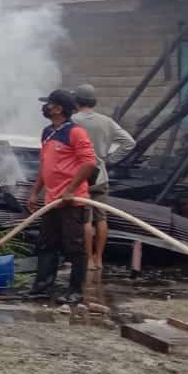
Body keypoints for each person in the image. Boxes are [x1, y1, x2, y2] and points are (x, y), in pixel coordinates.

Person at [26, 88, 97, 306]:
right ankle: (42, 287)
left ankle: (75, 291)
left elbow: (89, 163)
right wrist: (35, 192)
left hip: (72, 201)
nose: (45, 107)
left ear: (58, 108)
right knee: (47, 244)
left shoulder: (76, 132)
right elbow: (45, 165)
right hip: (52, 201)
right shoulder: (47, 132)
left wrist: (71, 190)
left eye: (49, 104)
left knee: (75, 247)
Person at [69, 83, 136, 272]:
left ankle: (88, 259)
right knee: (101, 218)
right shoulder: (106, 121)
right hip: (101, 176)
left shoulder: (72, 121)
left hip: (80, 176)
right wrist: (109, 160)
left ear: (76, 101)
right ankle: (99, 259)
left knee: (86, 219)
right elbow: (129, 143)